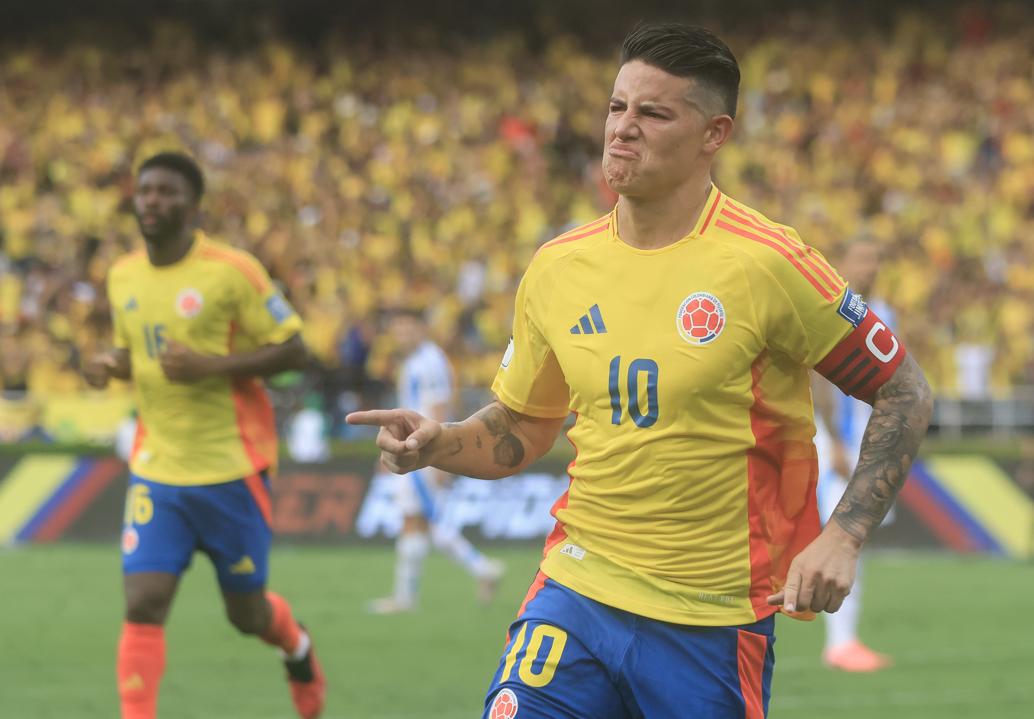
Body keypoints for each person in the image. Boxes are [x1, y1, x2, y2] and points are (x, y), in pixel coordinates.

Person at [348, 23, 933, 718]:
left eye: (652, 113)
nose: (623, 129)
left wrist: (843, 534)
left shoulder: (768, 263)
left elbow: (904, 389)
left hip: (710, 621)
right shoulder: (559, 267)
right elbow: (521, 426)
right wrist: (437, 441)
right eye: (617, 107)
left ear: (714, 134)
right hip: (575, 591)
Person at [83, 152, 325, 719]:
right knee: (144, 602)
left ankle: (298, 647)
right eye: (145, 191)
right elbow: (137, 353)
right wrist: (109, 365)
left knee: (246, 616)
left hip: (231, 469)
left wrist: (211, 366)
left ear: (193, 206)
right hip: (158, 466)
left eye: (166, 192)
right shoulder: (123, 275)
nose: (152, 202)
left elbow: (295, 349)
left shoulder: (231, 270)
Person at [368, 309, 504, 615]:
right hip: (412, 448)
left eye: (407, 326)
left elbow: (440, 408)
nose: (401, 333)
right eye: (397, 327)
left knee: (421, 521)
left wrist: (439, 454)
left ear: (421, 328)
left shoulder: (429, 362)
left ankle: (479, 571)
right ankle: (478, 572)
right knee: (420, 521)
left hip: (422, 451)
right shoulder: (418, 361)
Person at [811, 238, 896, 672]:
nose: (871, 264)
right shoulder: (836, 307)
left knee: (848, 540)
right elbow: (820, 378)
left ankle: (843, 639)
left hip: (864, 449)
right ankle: (841, 643)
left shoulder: (885, 311)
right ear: (843, 262)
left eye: (876, 256)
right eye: (863, 256)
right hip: (835, 450)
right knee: (845, 539)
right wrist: (836, 441)